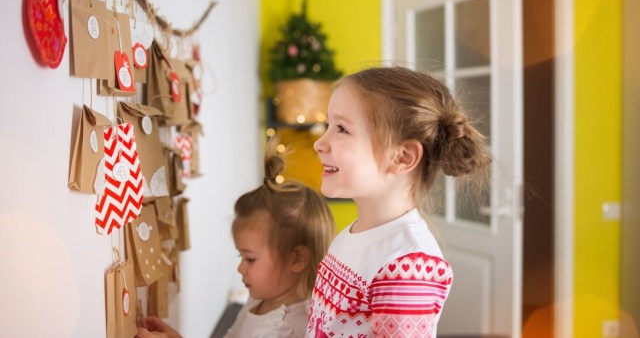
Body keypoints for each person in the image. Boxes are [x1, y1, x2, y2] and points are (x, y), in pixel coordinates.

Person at [307, 66, 491, 337]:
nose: (320, 143)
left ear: (403, 157)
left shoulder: (409, 266)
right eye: (328, 126)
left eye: (342, 129)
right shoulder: (354, 234)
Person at [136, 137, 335, 338]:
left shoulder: (284, 330)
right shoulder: (262, 299)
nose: (241, 268)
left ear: (296, 259)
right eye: (241, 257)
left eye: (250, 259)